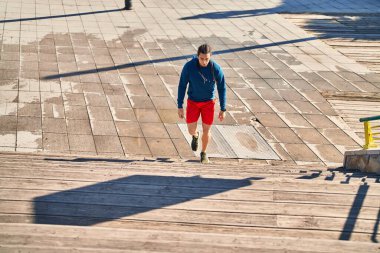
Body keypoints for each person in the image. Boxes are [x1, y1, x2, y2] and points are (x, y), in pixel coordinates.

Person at [177, 44, 227, 164]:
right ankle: (195, 136)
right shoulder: (189, 67)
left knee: (207, 130)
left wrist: (223, 108)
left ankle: (203, 153)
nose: (204, 62)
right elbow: (182, 85)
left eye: (207, 59)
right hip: (193, 102)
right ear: (197, 56)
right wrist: (180, 105)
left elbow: (222, 88)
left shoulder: (216, 69)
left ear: (210, 57)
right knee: (190, 130)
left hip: (208, 103)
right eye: (202, 59)